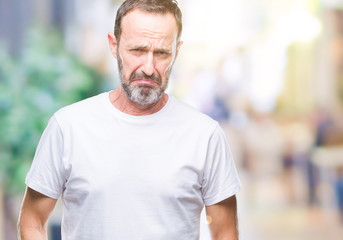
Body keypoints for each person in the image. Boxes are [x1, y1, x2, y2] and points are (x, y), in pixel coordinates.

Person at [17, 0, 242, 239]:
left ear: (177, 51)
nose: (148, 67)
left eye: (162, 53)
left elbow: (225, 232)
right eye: (137, 50)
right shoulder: (68, 127)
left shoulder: (205, 135)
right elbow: (32, 220)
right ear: (114, 46)